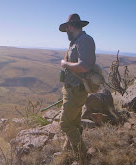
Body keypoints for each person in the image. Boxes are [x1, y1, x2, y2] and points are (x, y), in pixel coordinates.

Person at [59, 13, 96, 164]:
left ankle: (83, 157)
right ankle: (68, 149)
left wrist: (65, 64)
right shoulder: (76, 41)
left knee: (65, 124)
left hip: (76, 90)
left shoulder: (85, 40)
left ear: (70, 26)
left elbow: (84, 66)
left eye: (66, 28)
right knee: (74, 122)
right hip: (71, 89)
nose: (66, 31)